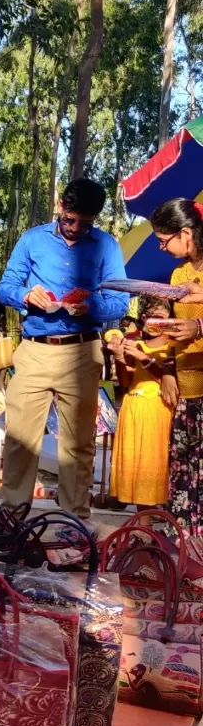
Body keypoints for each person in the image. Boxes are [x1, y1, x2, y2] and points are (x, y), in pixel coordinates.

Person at [0, 177, 129, 517]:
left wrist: (93, 307)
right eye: (71, 219)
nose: (77, 229)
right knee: (21, 440)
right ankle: (10, 516)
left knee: (78, 445)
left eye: (87, 223)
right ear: (59, 205)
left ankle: (75, 522)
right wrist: (25, 295)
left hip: (83, 353)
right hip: (35, 350)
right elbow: (5, 285)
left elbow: (120, 303)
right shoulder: (32, 240)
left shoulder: (107, 246)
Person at [140, 198, 203, 533]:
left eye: (165, 241)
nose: (162, 248)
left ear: (186, 234)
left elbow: (195, 327)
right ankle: (185, 548)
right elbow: (178, 333)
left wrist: (199, 328)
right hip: (186, 392)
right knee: (184, 475)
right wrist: (165, 366)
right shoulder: (179, 275)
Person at [105, 298, 173, 508]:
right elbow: (126, 381)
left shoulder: (174, 346)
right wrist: (119, 356)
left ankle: (151, 522)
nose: (153, 323)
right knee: (135, 466)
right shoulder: (136, 343)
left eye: (160, 318)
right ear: (143, 318)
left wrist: (145, 358)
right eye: (149, 317)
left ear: (170, 320)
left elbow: (169, 383)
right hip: (133, 406)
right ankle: (143, 524)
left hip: (158, 408)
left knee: (152, 466)